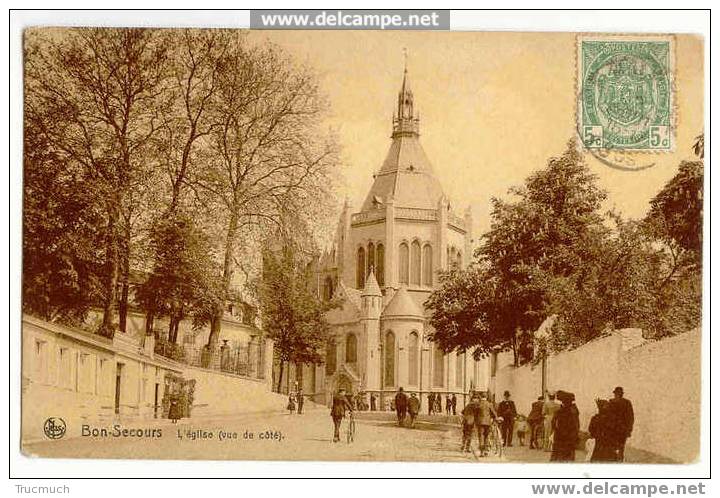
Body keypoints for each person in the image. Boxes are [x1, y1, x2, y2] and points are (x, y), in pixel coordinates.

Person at [551, 391, 580, 462]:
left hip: (561, 439)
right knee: (569, 458)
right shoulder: (574, 410)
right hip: (570, 438)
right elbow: (577, 425)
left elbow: (554, 424)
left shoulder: (560, 412)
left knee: (560, 459)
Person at [608, 386, 634, 462]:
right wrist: (629, 430)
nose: (617, 395)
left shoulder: (614, 402)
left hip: (618, 430)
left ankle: (616, 461)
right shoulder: (625, 403)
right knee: (619, 448)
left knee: (618, 448)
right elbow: (631, 418)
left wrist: (629, 430)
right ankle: (617, 461)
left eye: (617, 393)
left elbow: (630, 418)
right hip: (618, 430)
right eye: (616, 393)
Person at [476, 391, 498, 457]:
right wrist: (495, 418)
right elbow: (494, 413)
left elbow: (475, 414)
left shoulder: (478, 404)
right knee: (486, 436)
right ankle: (486, 451)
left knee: (481, 436)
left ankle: (482, 452)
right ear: (486, 397)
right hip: (488, 423)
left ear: (481, 397)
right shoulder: (489, 404)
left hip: (480, 423)